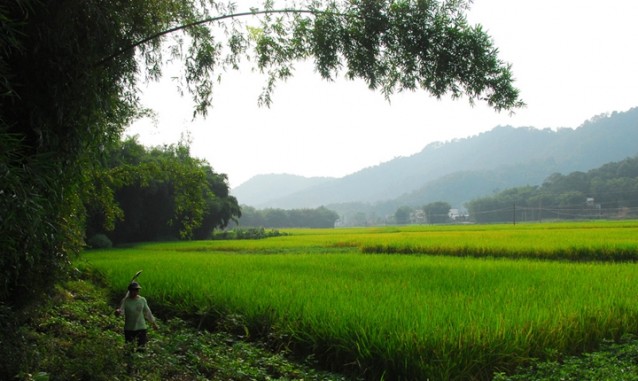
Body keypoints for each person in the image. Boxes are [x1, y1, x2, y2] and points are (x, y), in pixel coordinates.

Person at [115, 281, 158, 350]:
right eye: (133, 290)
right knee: (129, 349)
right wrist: (117, 312)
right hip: (129, 328)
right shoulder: (125, 301)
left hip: (141, 328)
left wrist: (153, 323)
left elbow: (147, 312)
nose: (135, 292)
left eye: (137, 290)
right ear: (130, 291)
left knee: (141, 349)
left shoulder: (142, 300)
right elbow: (121, 312)